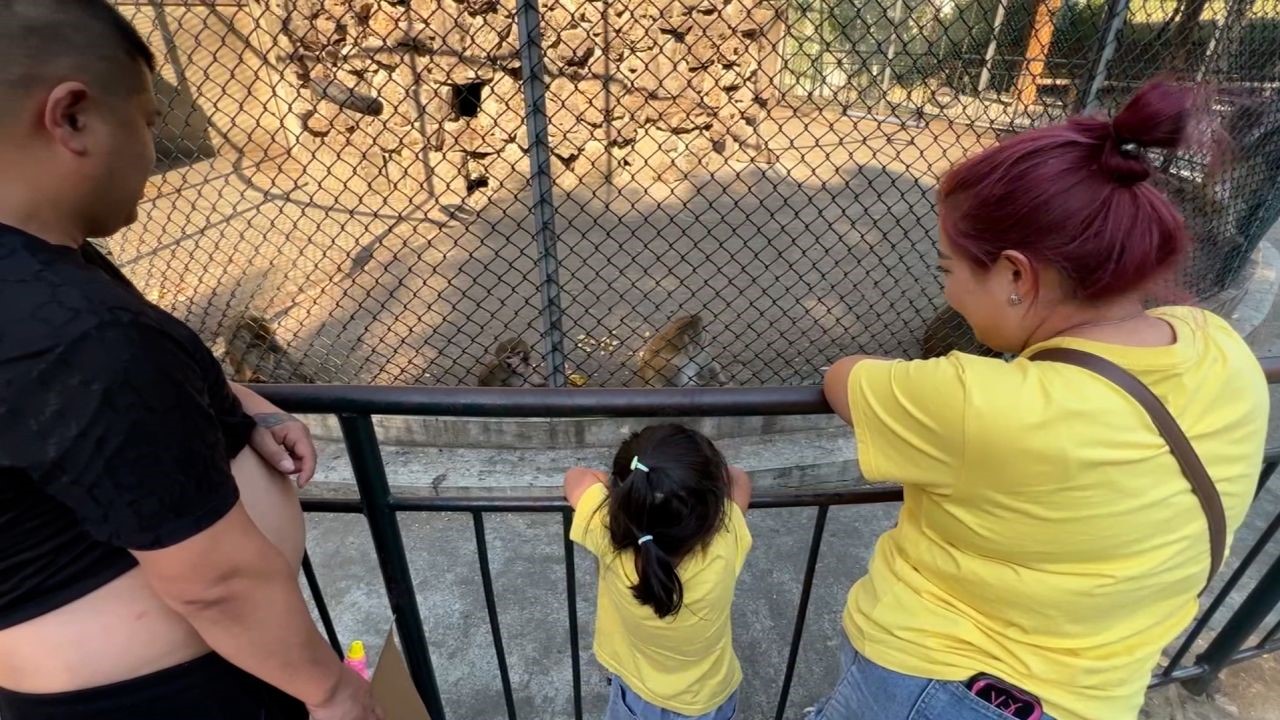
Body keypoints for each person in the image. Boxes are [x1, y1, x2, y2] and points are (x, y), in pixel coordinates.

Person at [814, 81, 1269, 720]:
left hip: (936, 684)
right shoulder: (1221, 348)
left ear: (1016, 276)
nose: (948, 294)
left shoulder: (979, 403)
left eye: (950, 271)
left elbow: (844, 377)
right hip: (1097, 695)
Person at [0, 3, 380, 719]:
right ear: (71, 117)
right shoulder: (72, 332)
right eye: (147, 120)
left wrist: (237, 405)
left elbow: (79, 422)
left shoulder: (50, 280)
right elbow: (215, 582)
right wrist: (331, 693)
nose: (154, 146)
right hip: (173, 693)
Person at [564, 424, 753, 720]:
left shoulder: (606, 529)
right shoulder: (724, 539)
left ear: (624, 496)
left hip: (638, 701)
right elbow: (738, 478)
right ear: (712, 507)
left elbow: (575, 477)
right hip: (712, 699)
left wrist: (615, 495)